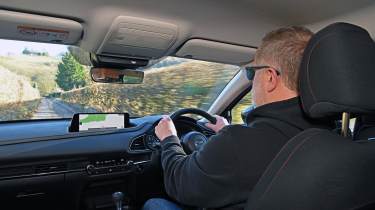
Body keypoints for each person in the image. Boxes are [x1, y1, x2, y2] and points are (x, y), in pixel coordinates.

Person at [143, 26, 333, 210]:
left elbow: (181, 183)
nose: (252, 81)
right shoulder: (333, 134)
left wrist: (169, 139)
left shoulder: (236, 143)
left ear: (269, 78)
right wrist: (226, 130)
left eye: (251, 72)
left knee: (154, 204)